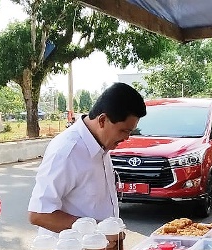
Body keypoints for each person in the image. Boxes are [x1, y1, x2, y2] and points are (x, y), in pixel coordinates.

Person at [28, 82, 145, 234]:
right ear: (102, 120)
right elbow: (38, 214)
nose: (126, 138)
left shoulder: (101, 145)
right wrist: (97, 231)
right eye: (123, 131)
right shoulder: (67, 151)